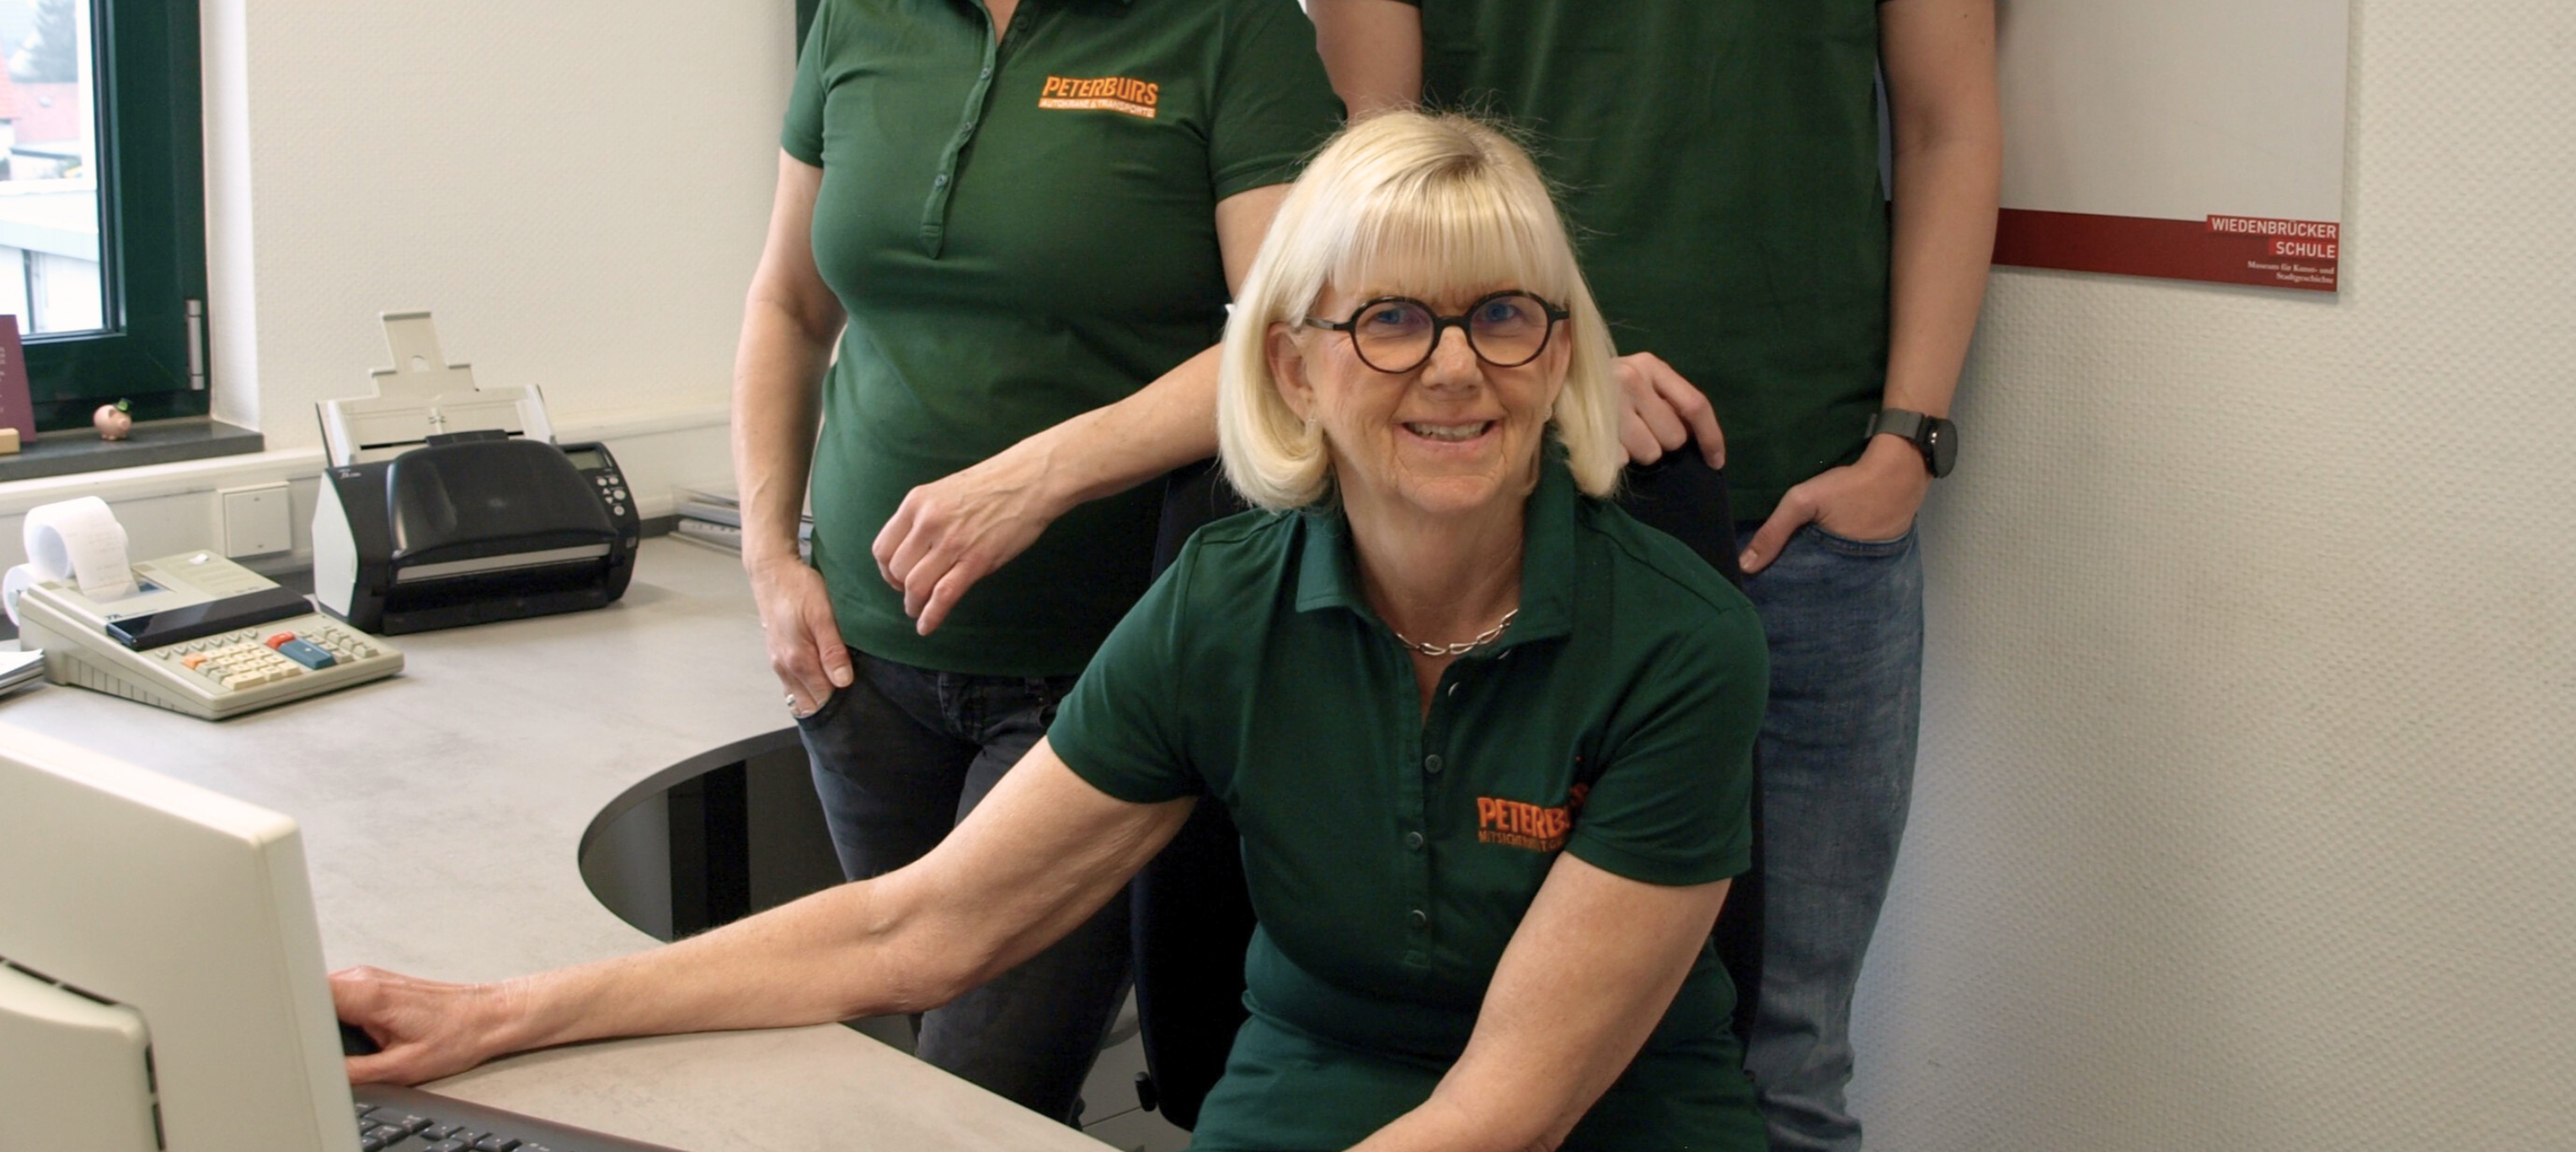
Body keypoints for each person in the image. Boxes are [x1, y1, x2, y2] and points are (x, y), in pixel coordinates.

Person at [334, 111, 1770, 1152]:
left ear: (1558, 353)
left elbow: (1508, 1111)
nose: (1453, 369)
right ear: (1292, 367)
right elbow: (922, 923)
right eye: (1389, 320)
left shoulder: (1676, 645)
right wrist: (504, 1016)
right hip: (1315, 1086)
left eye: (1503, 315)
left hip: (1607, 1114)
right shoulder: (1223, 606)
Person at [1292, 0, 2009, 1152]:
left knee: (1785, 1064)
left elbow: (1949, 126)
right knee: (1497, 1057)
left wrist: (1905, 443)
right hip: (1500, 504)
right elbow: (1372, 166)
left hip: (1802, 518)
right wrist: (1556, 374)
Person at [730, 0, 1342, 1121]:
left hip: (1092, 667)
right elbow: (789, 308)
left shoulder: (1231, 23)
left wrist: (1041, 474)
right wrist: (769, 557)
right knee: (909, 1073)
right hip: (861, 660)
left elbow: (1288, 344)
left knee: (980, 1096)